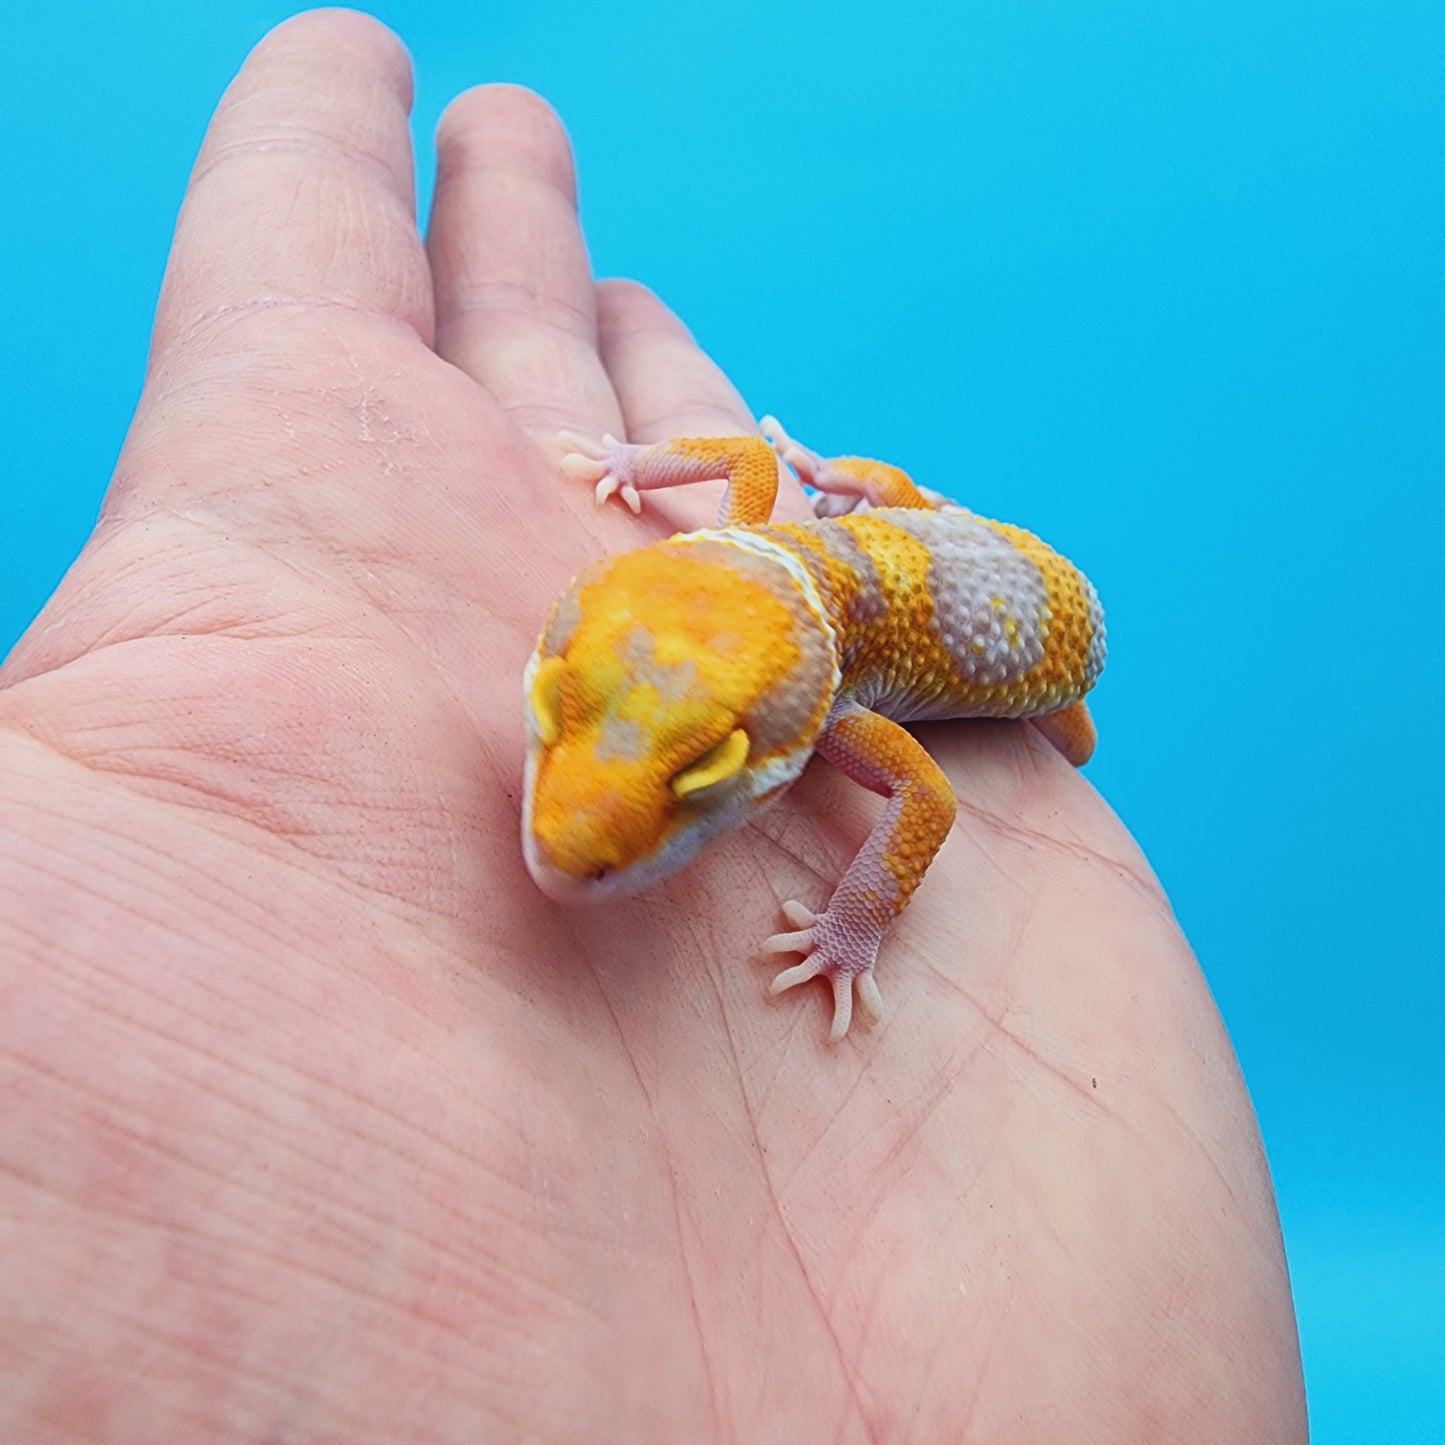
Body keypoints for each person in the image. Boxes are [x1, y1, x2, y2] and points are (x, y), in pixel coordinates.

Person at [0, 11, 1306, 1439]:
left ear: (797, 727)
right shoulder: (739, 563)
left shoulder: (844, 723)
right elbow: (744, 461)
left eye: (700, 783)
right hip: (859, 554)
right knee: (840, 485)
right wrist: (633, 460)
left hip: (1036, 613)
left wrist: (856, 921)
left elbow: (920, 805)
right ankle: (885, 496)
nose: (576, 839)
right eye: (567, 716)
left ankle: (930, 551)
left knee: (1067, 743)